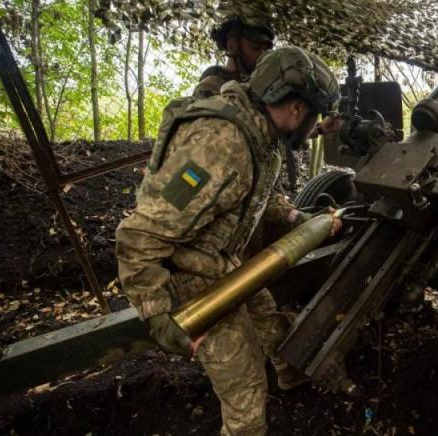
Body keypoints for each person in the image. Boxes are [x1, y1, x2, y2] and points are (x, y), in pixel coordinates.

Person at [116, 46, 342, 435]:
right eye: (314, 115)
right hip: (191, 279)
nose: (313, 126)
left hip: (221, 261)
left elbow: (253, 194)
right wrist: (158, 316)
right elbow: (139, 236)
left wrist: (295, 216)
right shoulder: (221, 145)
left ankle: (290, 375)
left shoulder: (260, 135)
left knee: (269, 319)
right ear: (296, 109)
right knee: (247, 400)